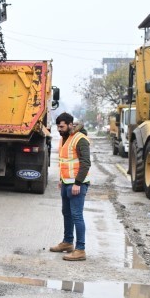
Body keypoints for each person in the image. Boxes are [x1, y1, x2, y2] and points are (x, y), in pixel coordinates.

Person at [50, 111, 90, 261]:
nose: (59, 129)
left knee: (77, 216)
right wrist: (61, 179)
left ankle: (80, 250)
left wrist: (78, 183)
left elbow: (86, 163)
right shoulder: (64, 139)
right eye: (58, 127)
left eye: (62, 126)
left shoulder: (80, 139)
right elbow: (65, 162)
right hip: (66, 183)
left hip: (77, 185)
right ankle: (67, 243)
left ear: (70, 125)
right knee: (66, 213)